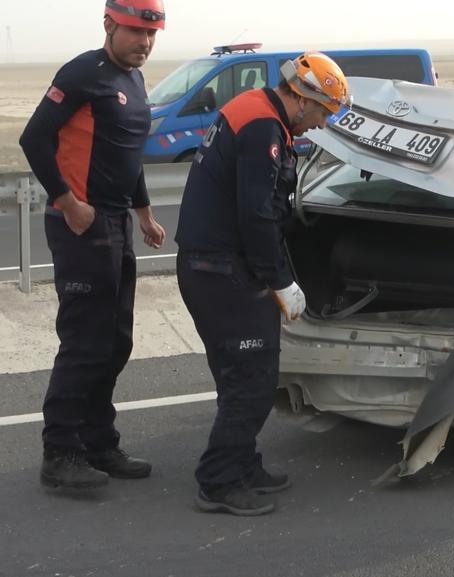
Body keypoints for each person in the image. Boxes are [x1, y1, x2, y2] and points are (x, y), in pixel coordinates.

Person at [176, 52, 351, 516]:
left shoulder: (255, 108)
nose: (319, 125)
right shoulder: (262, 128)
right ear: (305, 97)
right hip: (222, 271)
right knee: (251, 381)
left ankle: (242, 462)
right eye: (323, 114)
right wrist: (282, 281)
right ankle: (219, 481)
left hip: (212, 266)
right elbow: (255, 215)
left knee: (241, 377)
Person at [18, 0, 167, 490]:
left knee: (115, 341)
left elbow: (129, 155)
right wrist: (68, 200)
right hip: (79, 224)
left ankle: (99, 443)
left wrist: (142, 211)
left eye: (152, 35)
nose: (145, 43)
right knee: (84, 342)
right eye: (135, 33)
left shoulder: (135, 81)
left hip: (117, 224)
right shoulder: (83, 72)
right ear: (109, 24)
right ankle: (59, 452)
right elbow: (34, 138)